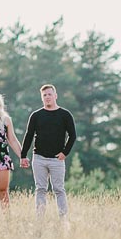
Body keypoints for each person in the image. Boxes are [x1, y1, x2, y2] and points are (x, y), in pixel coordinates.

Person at [20, 84, 76, 220]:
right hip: (39, 158)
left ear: (55, 96)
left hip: (57, 160)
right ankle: (40, 219)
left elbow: (73, 135)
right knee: (40, 189)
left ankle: (63, 219)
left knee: (59, 189)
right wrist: (23, 155)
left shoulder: (65, 115)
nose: (47, 97)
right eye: (44, 95)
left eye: (50, 94)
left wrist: (65, 153)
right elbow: (28, 136)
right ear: (42, 98)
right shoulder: (36, 115)